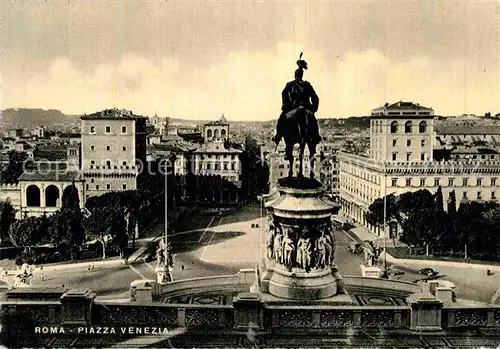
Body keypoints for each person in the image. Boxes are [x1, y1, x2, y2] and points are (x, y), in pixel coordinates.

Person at [272, 54, 322, 154]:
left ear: (295, 75)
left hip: (292, 109)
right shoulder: (307, 85)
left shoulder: (290, 84)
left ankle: (278, 137)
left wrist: (285, 105)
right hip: (306, 109)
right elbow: (315, 98)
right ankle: (315, 137)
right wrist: (313, 109)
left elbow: (284, 94)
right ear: (301, 75)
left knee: (281, 120)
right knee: (314, 122)